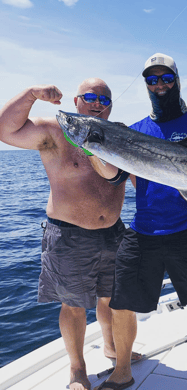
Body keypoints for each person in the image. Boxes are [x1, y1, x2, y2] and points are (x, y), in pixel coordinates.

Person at [90, 53, 187, 390]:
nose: (159, 85)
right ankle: (122, 372)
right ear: (146, 85)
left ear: (177, 80)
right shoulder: (134, 131)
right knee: (121, 305)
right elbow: (118, 177)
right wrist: (93, 150)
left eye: (166, 78)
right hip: (143, 230)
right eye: (152, 79)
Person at [0, 79, 140, 390]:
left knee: (114, 300)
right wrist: (31, 94)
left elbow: (140, 180)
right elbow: (5, 130)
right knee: (73, 305)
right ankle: (78, 370)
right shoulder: (53, 133)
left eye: (105, 98)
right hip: (68, 236)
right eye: (90, 96)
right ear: (76, 102)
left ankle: (112, 347)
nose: (97, 102)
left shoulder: (119, 134)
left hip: (115, 233)